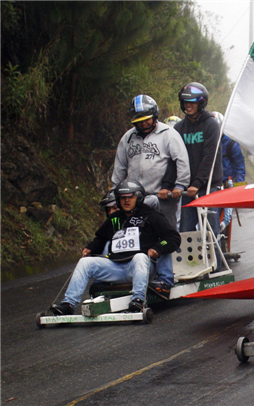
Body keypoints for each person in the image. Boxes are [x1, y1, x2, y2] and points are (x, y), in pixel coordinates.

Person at [50, 180, 181, 316]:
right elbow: (100, 239)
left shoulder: (152, 216)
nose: (126, 201)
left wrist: (158, 248)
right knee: (85, 262)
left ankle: (138, 300)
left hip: (140, 267)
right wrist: (90, 248)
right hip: (116, 267)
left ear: (139, 198)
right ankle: (68, 304)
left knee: (139, 257)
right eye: (123, 198)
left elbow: (173, 238)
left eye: (130, 197)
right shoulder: (114, 219)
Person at [111, 95, 189, 293]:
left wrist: (179, 185)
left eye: (147, 119)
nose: (144, 124)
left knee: (165, 236)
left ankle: (165, 278)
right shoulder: (128, 138)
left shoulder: (168, 134)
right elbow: (120, 169)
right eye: (139, 121)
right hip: (135, 199)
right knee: (134, 235)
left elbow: (181, 160)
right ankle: (135, 275)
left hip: (163, 197)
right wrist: (114, 196)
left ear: (154, 116)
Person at [173, 82, 223, 271]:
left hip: (209, 186)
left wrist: (198, 183)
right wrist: (175, 184)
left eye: (192, 102)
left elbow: (210, 157)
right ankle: (190, 267)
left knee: (210, 230)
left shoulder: (211, 124)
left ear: (201, 103)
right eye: (185, 102)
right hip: (188, 188)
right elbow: (174, 158)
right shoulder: (178, 128)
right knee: (185, 230)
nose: (188, 106)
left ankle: (216, 267)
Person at [212, 111, 246, 246]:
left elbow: (240, 165)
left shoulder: (231, 144)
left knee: (226, 217)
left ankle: (224, 241)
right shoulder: (206, 143)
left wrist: (239, 187)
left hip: (228, 184)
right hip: (211, 183)